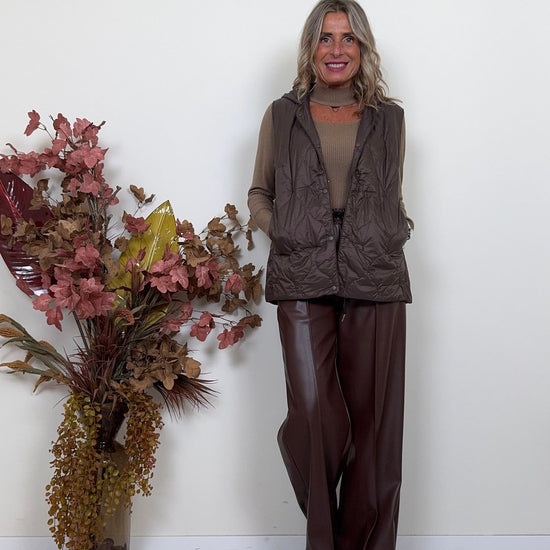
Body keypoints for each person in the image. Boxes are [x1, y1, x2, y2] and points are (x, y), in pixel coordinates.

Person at [248, 1, 412, 549]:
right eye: (325, 38)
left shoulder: (390, 119)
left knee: (375, 422)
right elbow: (260, 192)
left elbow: (390, 193)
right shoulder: (282, 115)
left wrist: (393, 230)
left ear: (362, 48)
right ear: (310, 48)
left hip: (376, 274)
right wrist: (284, 229)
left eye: (348, 38)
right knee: (314, 413)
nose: (336, 50)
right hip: (302, 269)